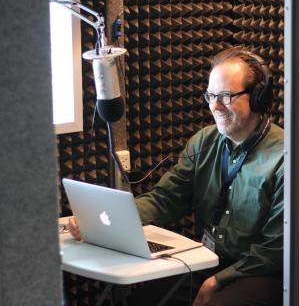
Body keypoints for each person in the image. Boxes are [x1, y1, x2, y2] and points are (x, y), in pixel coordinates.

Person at [69, 47, 284, 306]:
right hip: (208, 260)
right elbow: (166, 198)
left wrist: (220, 280)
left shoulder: (285, 157)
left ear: (259, 98)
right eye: (211, 95)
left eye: (226, 96)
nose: (214, 106)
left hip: (260, 272)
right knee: (144, 301)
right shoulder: (203, 142)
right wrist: (101, 221)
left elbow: (274, 248)